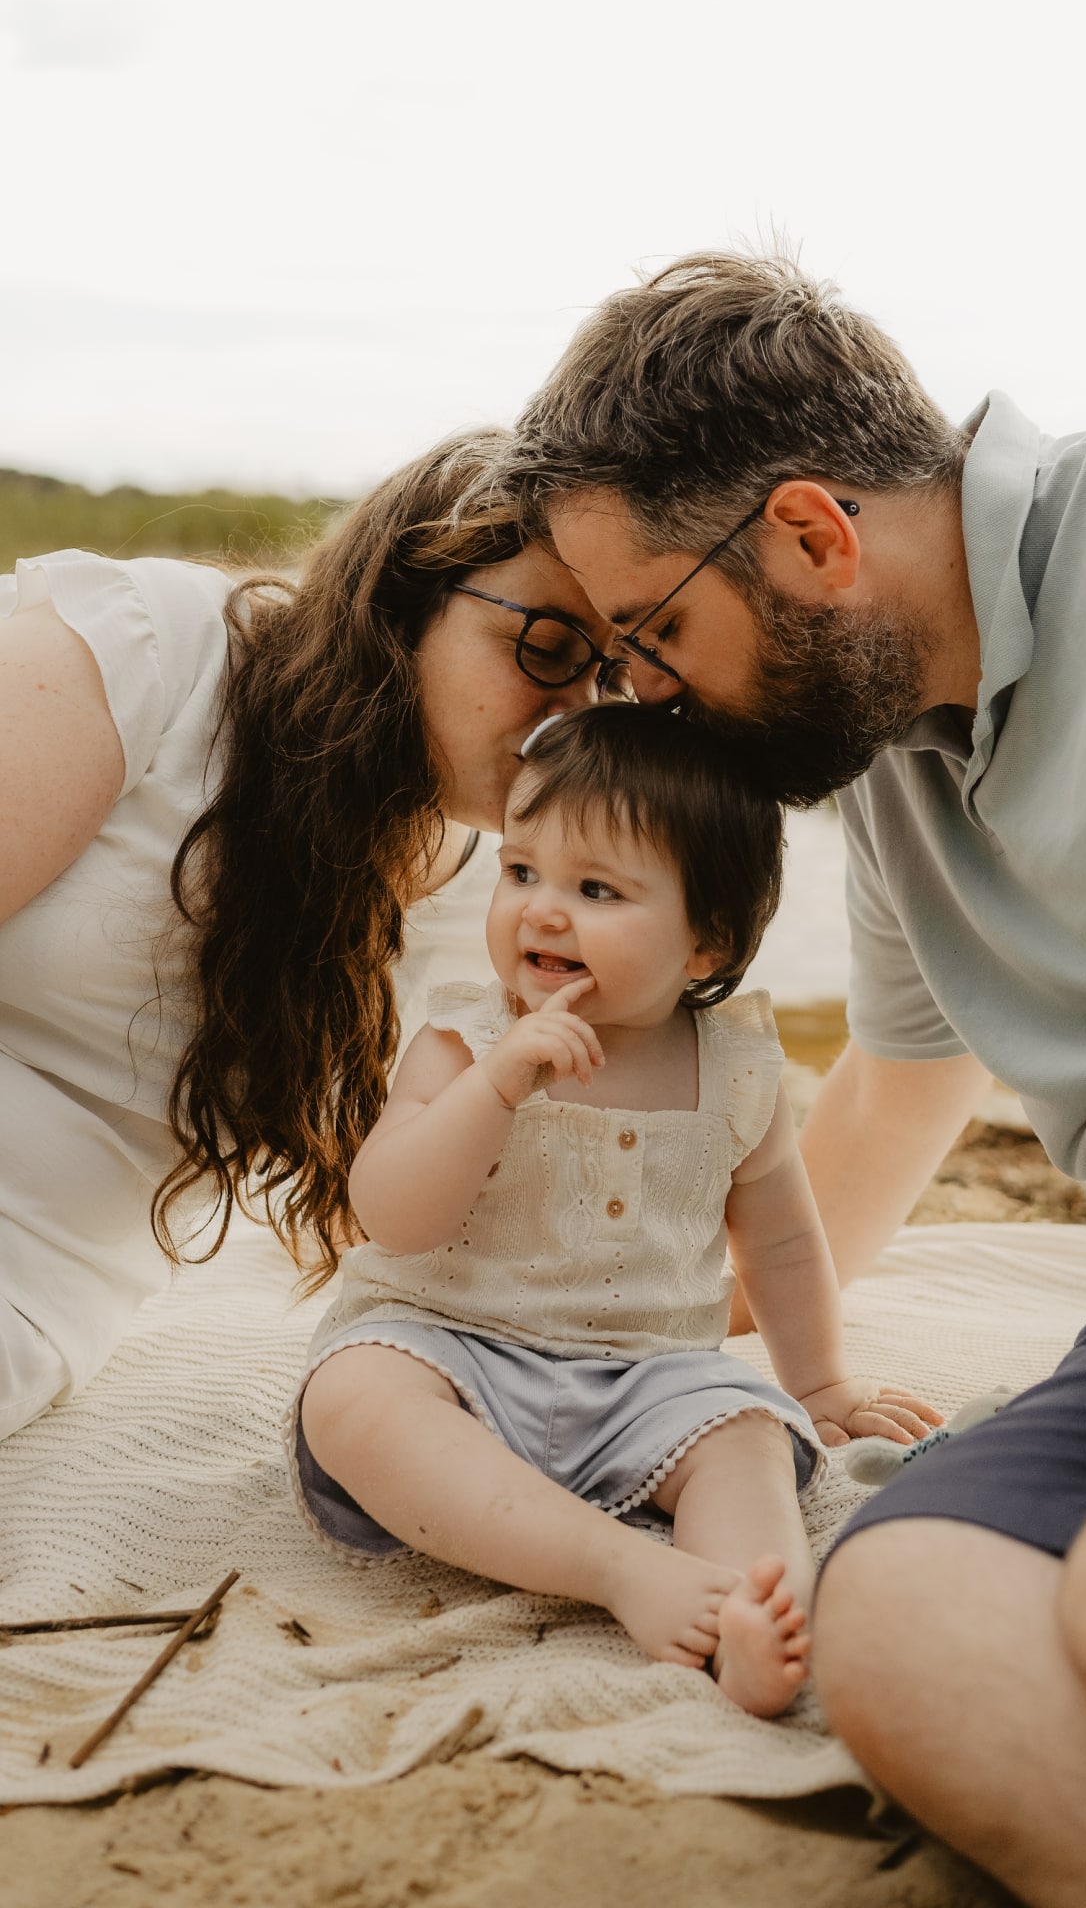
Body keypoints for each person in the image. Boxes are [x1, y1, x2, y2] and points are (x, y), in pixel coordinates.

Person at [500, 252, 1086, 1905]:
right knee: (912, 1619)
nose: (647, 697)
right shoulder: (892, 772)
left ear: (810, 536)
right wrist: (651, 1338)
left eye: (655, 633)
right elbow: (896, 1089)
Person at [292, 705, 942, 1717]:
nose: (541, 912)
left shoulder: (733, 1067)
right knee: (352, 1399)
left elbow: (777, 1236)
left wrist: (819, 1384)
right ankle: (618, 1570)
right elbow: (392, 1217)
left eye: (596, 889)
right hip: (454, 1354)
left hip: (650, 1381)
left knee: (743, 1438)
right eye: (520, 872)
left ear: (705, 940)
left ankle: (754, 1614)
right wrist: (497, 1088)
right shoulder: (465, 1038)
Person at [0, 428, 635, 1443]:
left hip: (33, 1293)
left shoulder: (477, 881)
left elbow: (412, 1186)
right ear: (401, 595)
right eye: (548, 649)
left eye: (614, 681)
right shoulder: (159, 647)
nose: (574, 718)